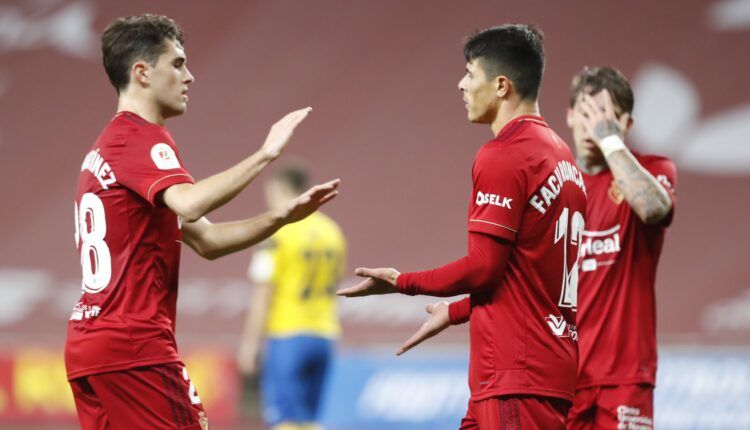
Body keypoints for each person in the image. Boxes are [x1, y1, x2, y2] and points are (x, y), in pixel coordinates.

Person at [65, 14, 339, 430]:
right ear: (141, 72)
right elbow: (190, 204)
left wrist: (280, 217)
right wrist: (265, 154)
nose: (189, 76)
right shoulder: (137, 138)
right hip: (135, 344)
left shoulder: (108, 149)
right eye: (177, 64)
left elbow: (207, 239)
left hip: (91, 343)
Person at [337, 24, 587, 429]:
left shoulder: (505, 155)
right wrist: (456, 311)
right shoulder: (563, 159)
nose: (461, 85)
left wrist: (402, 282)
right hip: (540, 369)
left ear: (501, 85)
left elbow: (484, 267)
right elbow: (528, 275)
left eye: (471, 74)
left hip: (515, 375)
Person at [563, 67, 676, 430]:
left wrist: (611, 143)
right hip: (562, 380)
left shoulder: (654, 169)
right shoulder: (554, 185)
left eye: (606, 117)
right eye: (585, 114)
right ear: (568, 115)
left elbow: (654, 209)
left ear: (626, 124)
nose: (593, 127)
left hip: (626, 378)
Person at [237, 162, 346, 430]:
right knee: (309, 421)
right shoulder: (332, 232)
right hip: (324, 335)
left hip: (287, 335)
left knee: (284, 420)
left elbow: (263, 290)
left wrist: (250, 343)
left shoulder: (278, 230)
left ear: (279, 188)